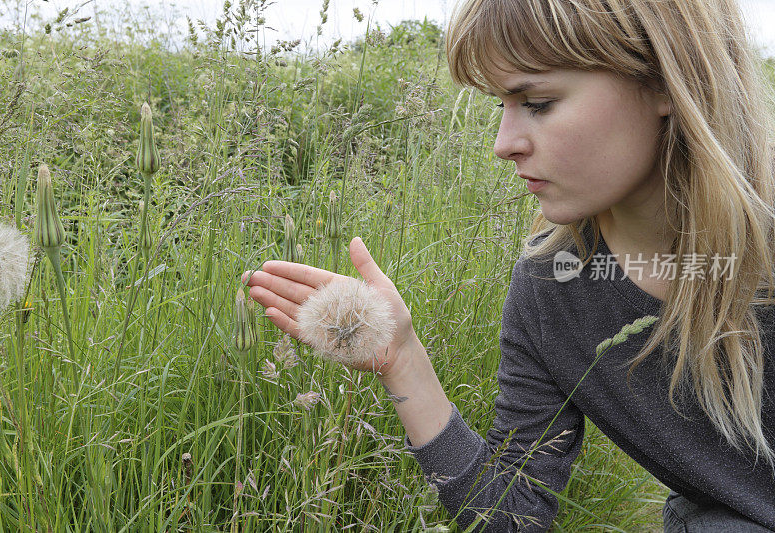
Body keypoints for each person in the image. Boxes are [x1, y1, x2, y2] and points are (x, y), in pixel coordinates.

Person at [241, 0, 775, 530]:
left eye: (538, 102)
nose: (504, 145)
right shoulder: (553, 285)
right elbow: (512, 514)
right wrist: (402, 360)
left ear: (664, 80)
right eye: (502, 106)